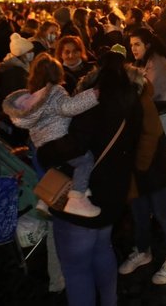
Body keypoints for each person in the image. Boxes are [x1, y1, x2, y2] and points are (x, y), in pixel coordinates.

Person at [36, 51, 144, 306]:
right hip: (113, 194)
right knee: (102, 249)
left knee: (76, 268)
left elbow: (72, 146)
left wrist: (43, 149)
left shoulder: (93, 108)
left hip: (81, 199)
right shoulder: (133, 103)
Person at [2, 53, 101, 217]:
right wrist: (93, 95)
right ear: (57, 73)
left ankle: (45, 200)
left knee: (58, 171)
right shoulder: (54, 91)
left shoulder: (32, 98)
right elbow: (67, 107)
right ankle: (77, 198)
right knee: (85, 160)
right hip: (59, 142)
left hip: (42, 149)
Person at [117, 54, 166, 285]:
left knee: (162, 210)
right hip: (135, 166)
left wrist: (138, 166)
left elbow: (150, 134)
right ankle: (143, 250)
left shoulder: (140, 99)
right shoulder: (124, 98)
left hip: (151, 165)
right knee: (138, 209)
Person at [129, 28, 166, 141]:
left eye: (137, 44)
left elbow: (146, 92)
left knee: (157, 156)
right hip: (157, 116)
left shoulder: (156, 63)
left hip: (163, 118)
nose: (133, 49)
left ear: (148, 45)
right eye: (131, 45)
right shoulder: (145, 60)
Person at [0, 33, 35, 101]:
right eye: (29, 52)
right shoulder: (12, 70)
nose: (32, 53)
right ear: (20, 54)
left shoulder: (25, 65)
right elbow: (11, 92)